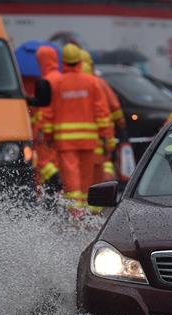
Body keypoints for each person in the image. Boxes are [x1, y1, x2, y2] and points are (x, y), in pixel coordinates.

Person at [42, 43, 112, 217]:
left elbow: (49, 113)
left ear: (63, 61)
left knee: (71, 181)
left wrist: (49, 136)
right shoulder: (92, 82)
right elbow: (102, 112)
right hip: (88, 140)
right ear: (80, 61)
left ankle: (75, 214)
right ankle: (88, 214)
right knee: (87, 179)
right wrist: (105, 136)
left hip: (65, 142)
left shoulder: (57, 84)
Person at [80, 49, 126, 183]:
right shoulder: (98, 83)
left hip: (74, 142)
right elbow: (114, 106)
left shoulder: (65, 83)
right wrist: (121, 125)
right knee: (103, 165)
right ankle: (106, 193)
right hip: (99, 138)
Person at [34, 45, 63, 193]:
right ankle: (55, 189)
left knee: (42, 161)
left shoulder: (47, 81)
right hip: (61, 129)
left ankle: (51, 184)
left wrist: (39, 129)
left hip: (47, 130)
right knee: (55, 160)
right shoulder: (61, 78)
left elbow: (45, 109)